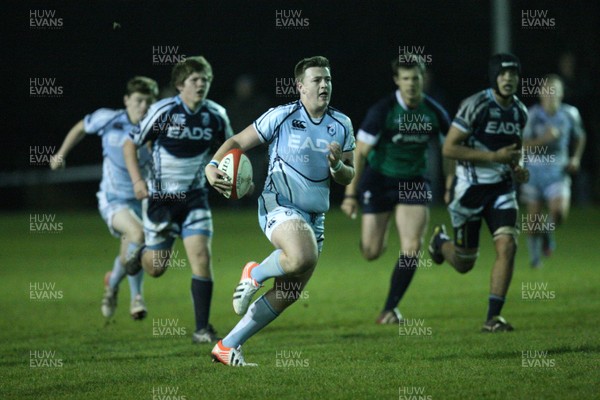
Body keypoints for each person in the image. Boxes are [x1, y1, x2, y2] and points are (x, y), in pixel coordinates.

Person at [206, 56, 355, 366]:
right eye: (317, 80)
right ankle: (255, 273)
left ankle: (227, 345)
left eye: (327, 79)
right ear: (300, 86)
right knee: (302, 256)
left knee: (287, 293)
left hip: (316, 217)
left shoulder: (341, 124)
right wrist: (211, 166)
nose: (324, 85)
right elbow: (236, 141)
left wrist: (338, 165)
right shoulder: (282, 116)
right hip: (280, 205)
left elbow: (349, 175)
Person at [123, 56, 233, 343]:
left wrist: (235, 177)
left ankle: (201, 329)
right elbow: (129, 144)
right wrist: (137, 182)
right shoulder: (163, 110)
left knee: (201, 257)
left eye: (205, 79)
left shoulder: (216, 115)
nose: (201, 85)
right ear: (180, 84)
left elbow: (231, 150)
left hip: (195, 198)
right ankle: (142, 251)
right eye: (195, 80)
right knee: (157, 268)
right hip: (161, 201)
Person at [341, 57, 450, 324]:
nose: (411, 84)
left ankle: (389, 309)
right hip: (379, 180)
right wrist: (350, 195)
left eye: (416, 78)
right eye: (406, 78)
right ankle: (381, 231)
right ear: (397, 81)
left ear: (423, 79)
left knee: (412, 247)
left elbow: (449, 152)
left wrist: (449, 185)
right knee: (371, 251)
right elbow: (360, 153)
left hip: (414, 182)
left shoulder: (435, 113)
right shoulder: (383, 110)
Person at [428, 53, 530, 332]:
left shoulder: (520, 111)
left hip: (501, 190)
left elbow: (516, 149)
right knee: (464, 263)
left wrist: (518, 167)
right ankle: (439, 243)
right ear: (494, 77)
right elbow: (449, 148)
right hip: (469, 190)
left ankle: (492, 317)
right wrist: (494, 157)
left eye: (513, 74)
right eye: (503, 74)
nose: (508, 79)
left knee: (507, 245)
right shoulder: (476, 105)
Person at [50, 76, 158, 320]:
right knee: (139, 235)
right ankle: (136, 298)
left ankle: (111, 284)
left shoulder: (155, 127)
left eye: (148, 102)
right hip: (112, 200)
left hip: (140, 201)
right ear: (126, 100)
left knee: (127, 253)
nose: (143, 107)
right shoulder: (108, 118)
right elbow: (80, 128)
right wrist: (61, 154)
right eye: (138, 101)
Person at [520, 74, 586, 267]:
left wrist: (575, 158)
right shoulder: (531, 114)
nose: (551, 95)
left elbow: (581, 136)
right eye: (547, 91)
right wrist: (544, 140)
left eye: (555, 91)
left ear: (562, 93)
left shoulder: (570, 114)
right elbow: (521, 145)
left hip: (558, 172)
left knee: (559, 213)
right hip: (533, 173)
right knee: (533, 220)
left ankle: (547, 232)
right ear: (541, 93)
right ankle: (535, 258)